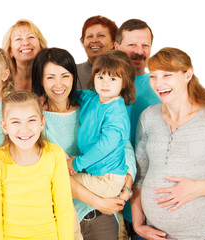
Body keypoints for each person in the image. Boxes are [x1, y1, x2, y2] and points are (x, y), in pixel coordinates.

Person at [132, 47, 205, 240]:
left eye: (167, 75)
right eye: (153, 76)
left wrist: (196, 188)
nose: (159, 84)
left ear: (188, 75)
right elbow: (140, 177)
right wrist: (137, 224)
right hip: (151, 234)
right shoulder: (148, 117)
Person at [32, 47, 136, 240]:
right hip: (64, 214)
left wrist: (127, 182)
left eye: (65, 76)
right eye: (50, 77)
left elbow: (123, 146)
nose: (59, 84)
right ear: (40, 79)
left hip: (100, 214)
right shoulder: (34, 118)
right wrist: (98, 201)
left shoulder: (93, 104)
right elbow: (46, 173)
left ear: (73, 76)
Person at [0, 91, 74, 239]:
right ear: (4, 126)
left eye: (31, 120)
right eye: (15, 122)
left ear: (42, 123)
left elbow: (64, 210)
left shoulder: (55, 155)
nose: (24, 129)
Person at [69, 50, 135, 239]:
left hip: (108, 178)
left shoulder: (117, 113)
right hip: (97, 173)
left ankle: (73, 235)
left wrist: (76, 163)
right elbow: (72, 93)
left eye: (113, 79)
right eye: (100, 77)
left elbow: (104, 146)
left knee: (60, 185)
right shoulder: (92, 98)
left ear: (124, 83)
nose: (105, 83)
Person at [113, 19, 160, 239]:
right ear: (116, 46)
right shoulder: (103, 86)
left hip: (151, 197)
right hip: (111, 195)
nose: (139, 52)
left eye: (145, 45)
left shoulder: (161, 88)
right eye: (132, 45)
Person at [2, 19, 47, 91]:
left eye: (31, 37)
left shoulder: (51, 76)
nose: (25, 43)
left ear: (41, 46)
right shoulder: (2, 80)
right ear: (10, 51)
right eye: (18, 39)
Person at [77, 15, 118, 89]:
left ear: (113, 42)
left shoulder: (123, 73)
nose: (94, 40)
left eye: (101, 35)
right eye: (89, 36)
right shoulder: (72, 72)